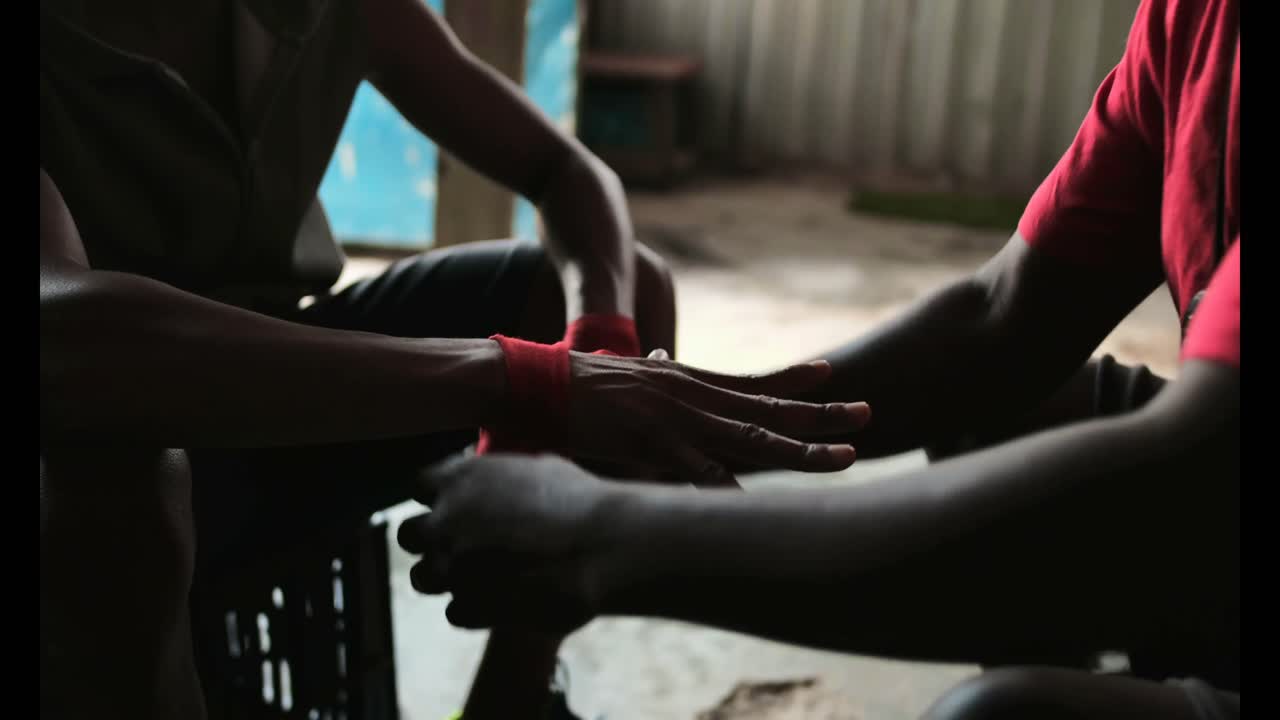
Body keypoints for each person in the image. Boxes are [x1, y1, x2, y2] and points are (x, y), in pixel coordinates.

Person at [397, 0, 1241, 717]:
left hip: (1217, 502)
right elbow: (1000, 318)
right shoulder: (1195, 22)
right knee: (1006, 412)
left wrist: (604, 540)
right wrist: (707, 422)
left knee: (996, 716)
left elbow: (1186, 500)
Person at [38, 1, 873, 718]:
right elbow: (64, 337)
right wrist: (521, 380)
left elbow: (563, 170)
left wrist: (601, 345)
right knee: (122, 462)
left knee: (617, 286)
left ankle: (511, 701)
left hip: (286, 406)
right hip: (116, 429)